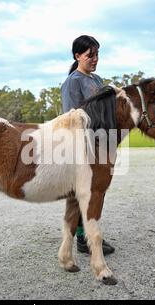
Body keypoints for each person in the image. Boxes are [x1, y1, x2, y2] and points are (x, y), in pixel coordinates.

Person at [60, 35, 115, 255]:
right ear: (77, 56)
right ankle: (83, 239)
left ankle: (88, 235)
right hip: (82, 144)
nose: (95, 59)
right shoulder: (73, 82)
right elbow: (70, 117)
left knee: (95, 191)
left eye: (97, 54)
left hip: (100, 143)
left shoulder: (97, 80)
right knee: (84, 192)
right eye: (90, 55)